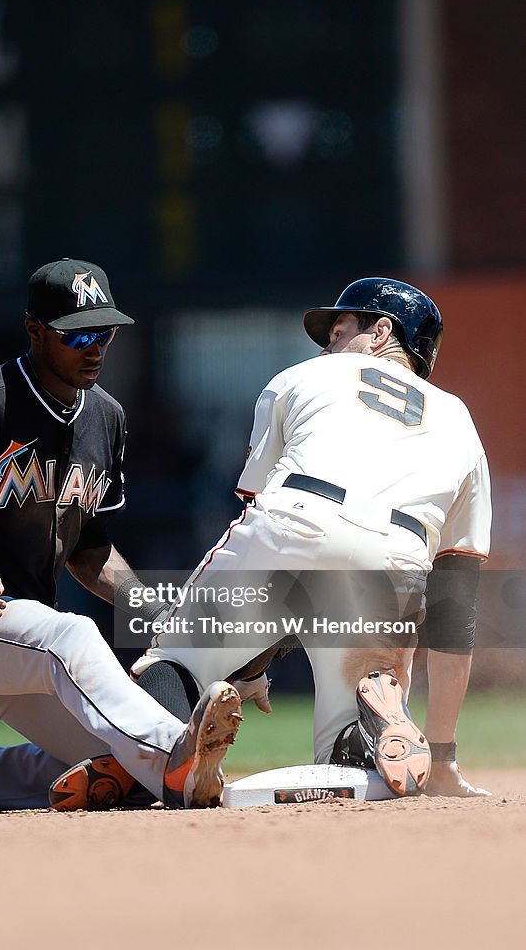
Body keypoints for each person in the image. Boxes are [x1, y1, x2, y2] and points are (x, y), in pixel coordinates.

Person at [61, 276, 490, 804]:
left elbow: (270, 523)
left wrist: (252, 657)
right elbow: (456, 605)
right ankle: (373, 726)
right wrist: (445, 752)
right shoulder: (459, 419)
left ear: (381, 332)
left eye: (338, 331)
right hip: (398, 557)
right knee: (350, 764)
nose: (327, 345)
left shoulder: (303, 377)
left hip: (298, 516)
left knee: (174, 661)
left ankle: (158, 755)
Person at [0, 258, 242, 813]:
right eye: (79, 334)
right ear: (35, 332)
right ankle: (175, 752)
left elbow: (89, 549)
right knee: (73, 637)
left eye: (107, 332)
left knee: (121, 763)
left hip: (25, 636)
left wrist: (141, 602)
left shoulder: (107, 418)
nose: (95, 347)